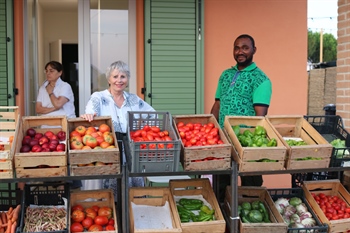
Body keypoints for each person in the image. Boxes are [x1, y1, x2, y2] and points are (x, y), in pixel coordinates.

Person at [80, 60, 155, 198]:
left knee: (132, 194)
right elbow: (91, 111)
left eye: (123, 76)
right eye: (115, 77)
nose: (119, 80)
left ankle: (131, 216)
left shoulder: (133, 99)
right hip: (108, 149)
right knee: (109, 195)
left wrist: (143, 128)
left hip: (131, 151)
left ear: (127, 79)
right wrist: (89, 115)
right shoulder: (99, 97)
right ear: (109, 79)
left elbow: (153, 115)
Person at [210, 34, 272, 201]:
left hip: (247, 142)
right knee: (221, 186)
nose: (240, 52)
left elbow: (260, 118)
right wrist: (210, 131)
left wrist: (251, 145)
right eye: (237, 48)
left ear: (254, 50)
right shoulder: (225, 75)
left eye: (245, 47)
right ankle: (223, 221)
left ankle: (248, 224)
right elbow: (217, 105)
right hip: (224, 140)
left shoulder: (261, 79)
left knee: (250, 188)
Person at [35, 61, 81, 189]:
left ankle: (70, 192)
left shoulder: (65, 86)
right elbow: (38, 109)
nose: (48, 73)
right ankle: (52, 191)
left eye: (52, 71)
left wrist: (51, 93)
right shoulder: (42, 87)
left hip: (63, 127)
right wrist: (54, 108)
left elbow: (58, 103)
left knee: (65, 160)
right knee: (49, 159)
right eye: (46, 71)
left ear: (60, 73)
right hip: (47, 129)